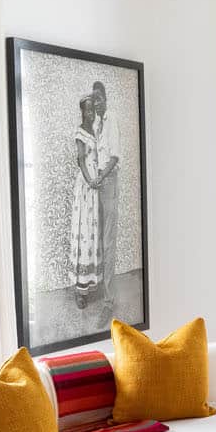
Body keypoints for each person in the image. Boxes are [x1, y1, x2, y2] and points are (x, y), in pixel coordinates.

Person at [69, 95, 101, 309]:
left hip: (95, 185)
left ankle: (90, 283)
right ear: (82, 112)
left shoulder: (96, 131)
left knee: (92, 232)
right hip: (86, 186)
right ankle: (80, 291)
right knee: (84, 232)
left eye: (92, 110)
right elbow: (81, 160)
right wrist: (91, 181)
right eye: (86, 110)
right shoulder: (80, 132)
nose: (90, 114)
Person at [92, 79, 120, 306]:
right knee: (99, 237)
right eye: (94, 101)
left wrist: (101, 177)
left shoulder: (112, 122)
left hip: (108, 181)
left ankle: (109, 295)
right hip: (99, 182)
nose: (97, 104)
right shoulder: (97, 124)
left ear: (106, 99)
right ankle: (100, 286)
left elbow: (114, 157)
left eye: (99, 100)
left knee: (108, 239)